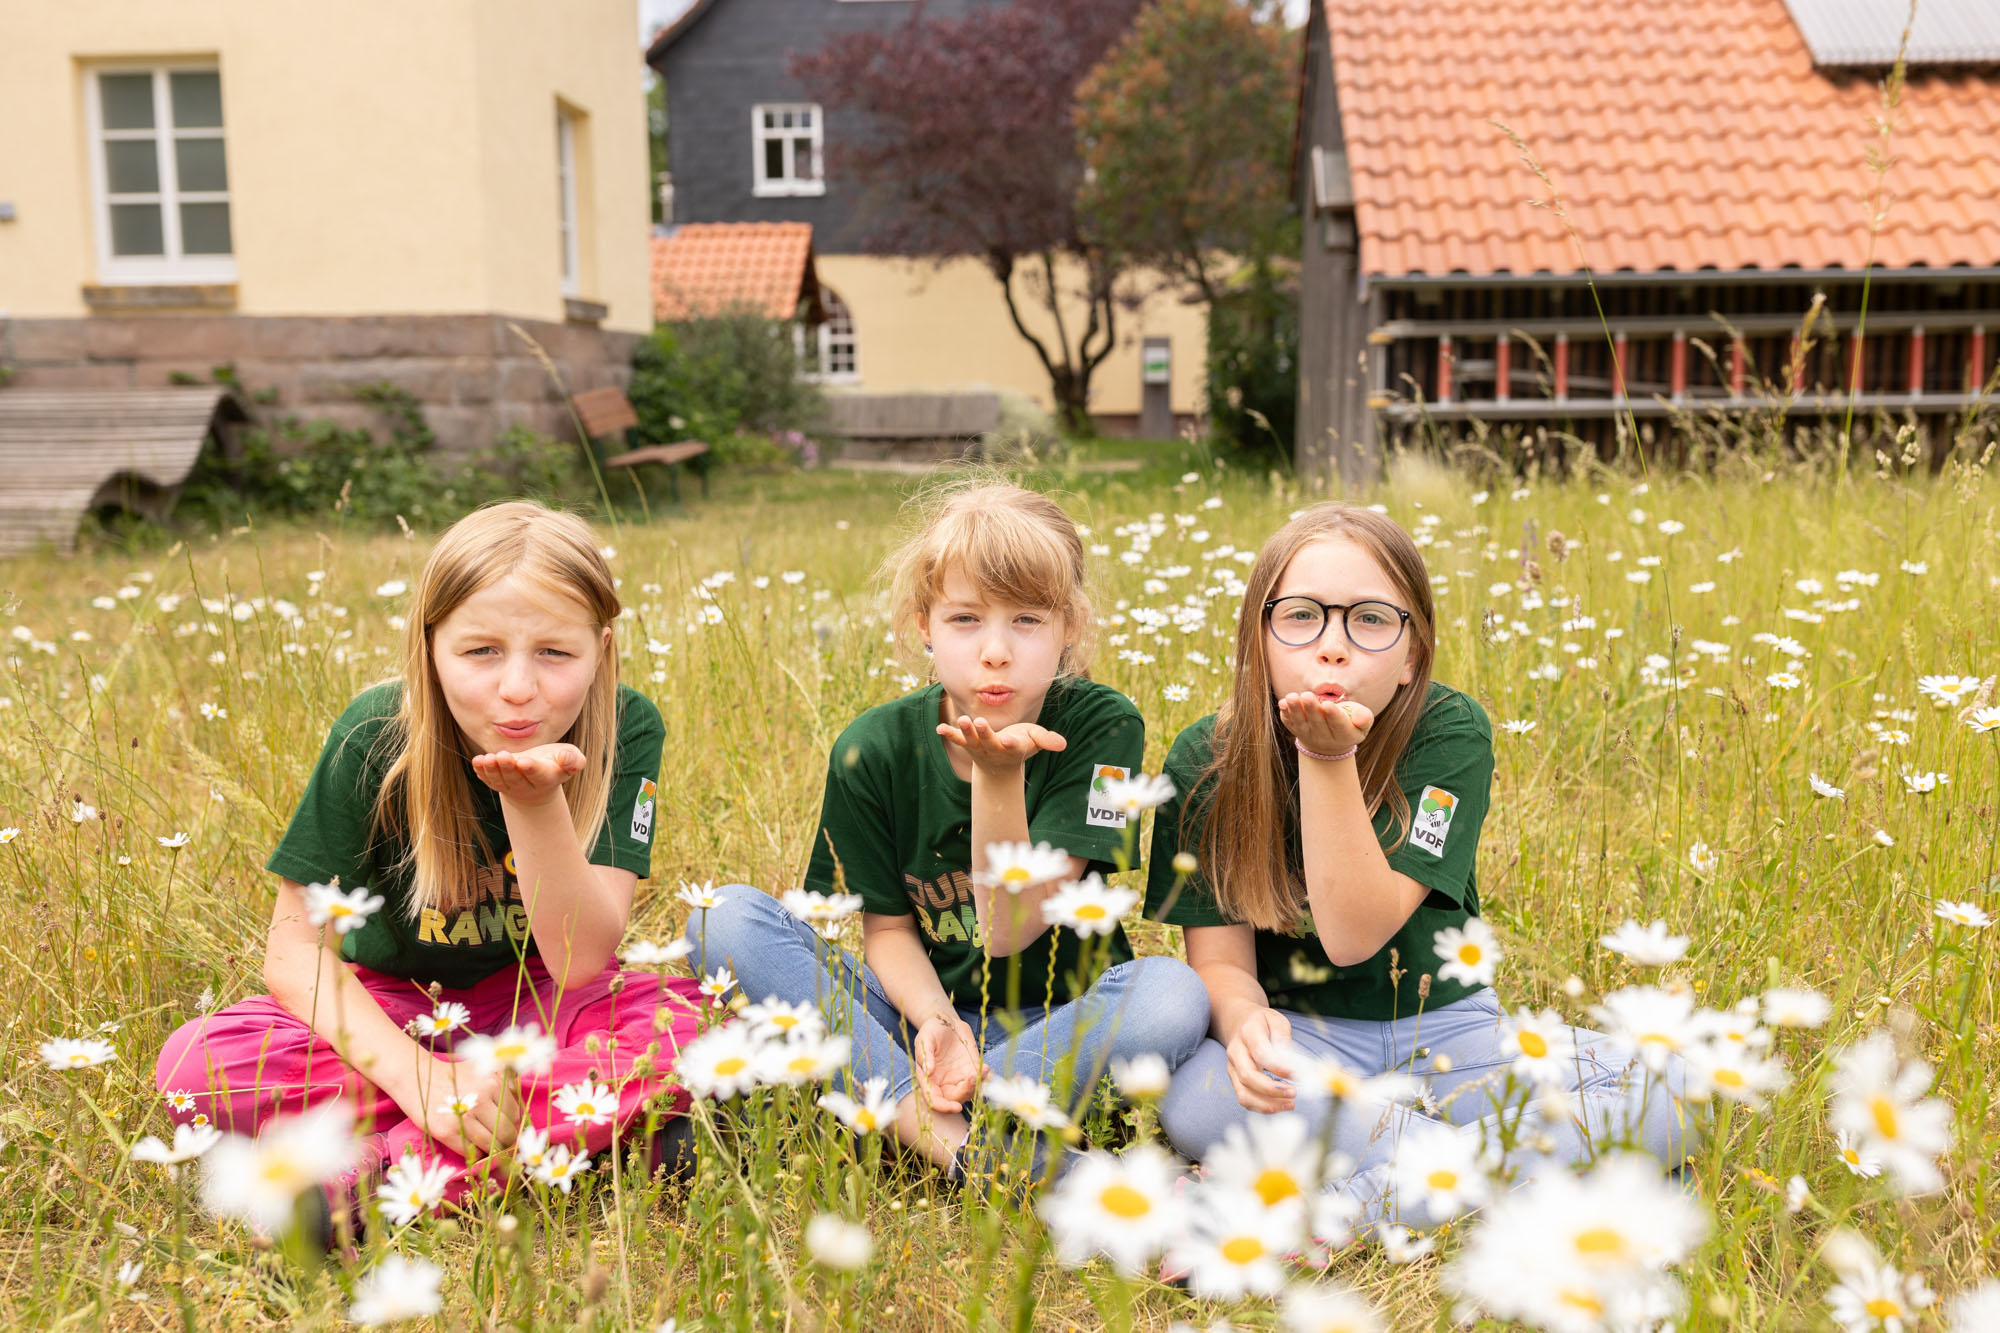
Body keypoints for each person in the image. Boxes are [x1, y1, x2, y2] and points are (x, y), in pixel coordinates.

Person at [155, 501, 701, 1231]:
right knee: (197, 1064)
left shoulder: (625, 727)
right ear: (430, 644)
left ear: (601, 649)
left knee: (693, 1024)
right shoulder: (376, 733)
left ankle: (380, 1169)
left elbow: (581, 960)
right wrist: (420, 1077)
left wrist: (534, 803)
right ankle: (584, 1126)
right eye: (480, 651)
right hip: (391, 1006)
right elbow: (294, 951)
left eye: (554, 652)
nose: (516, 686)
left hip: (542, 1005)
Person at [1148, 502, 1692, 1229]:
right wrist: (1244, 1020)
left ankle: (1353, 1203)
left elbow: (1356, 931)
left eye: (1370, 619)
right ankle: (1515, 1175)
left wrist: (1326, 756)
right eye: (1302, 615)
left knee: (1680, 1088)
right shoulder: (1206, 759)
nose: (1333, 645)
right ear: (1259, 639)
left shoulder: (1449, 731)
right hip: (1303, 1051)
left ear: (1411, 656)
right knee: (1193, 1098)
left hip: (1452, 1035)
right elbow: (1219, 963)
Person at [685, 480, 1209, 1180]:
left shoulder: (1101, 725)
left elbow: (1008, 927)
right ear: (921, 624)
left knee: (1172, 995)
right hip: (912, 1025)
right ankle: (951, 1134)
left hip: (1061, 1024)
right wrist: (935, 1020)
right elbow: (890, 931)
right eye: (966, 619)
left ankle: (900, 1109)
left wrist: (998, 778)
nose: (996, 651)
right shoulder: (872, 747)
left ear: (1072, 624)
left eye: (1027, 620)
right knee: (721, 917)